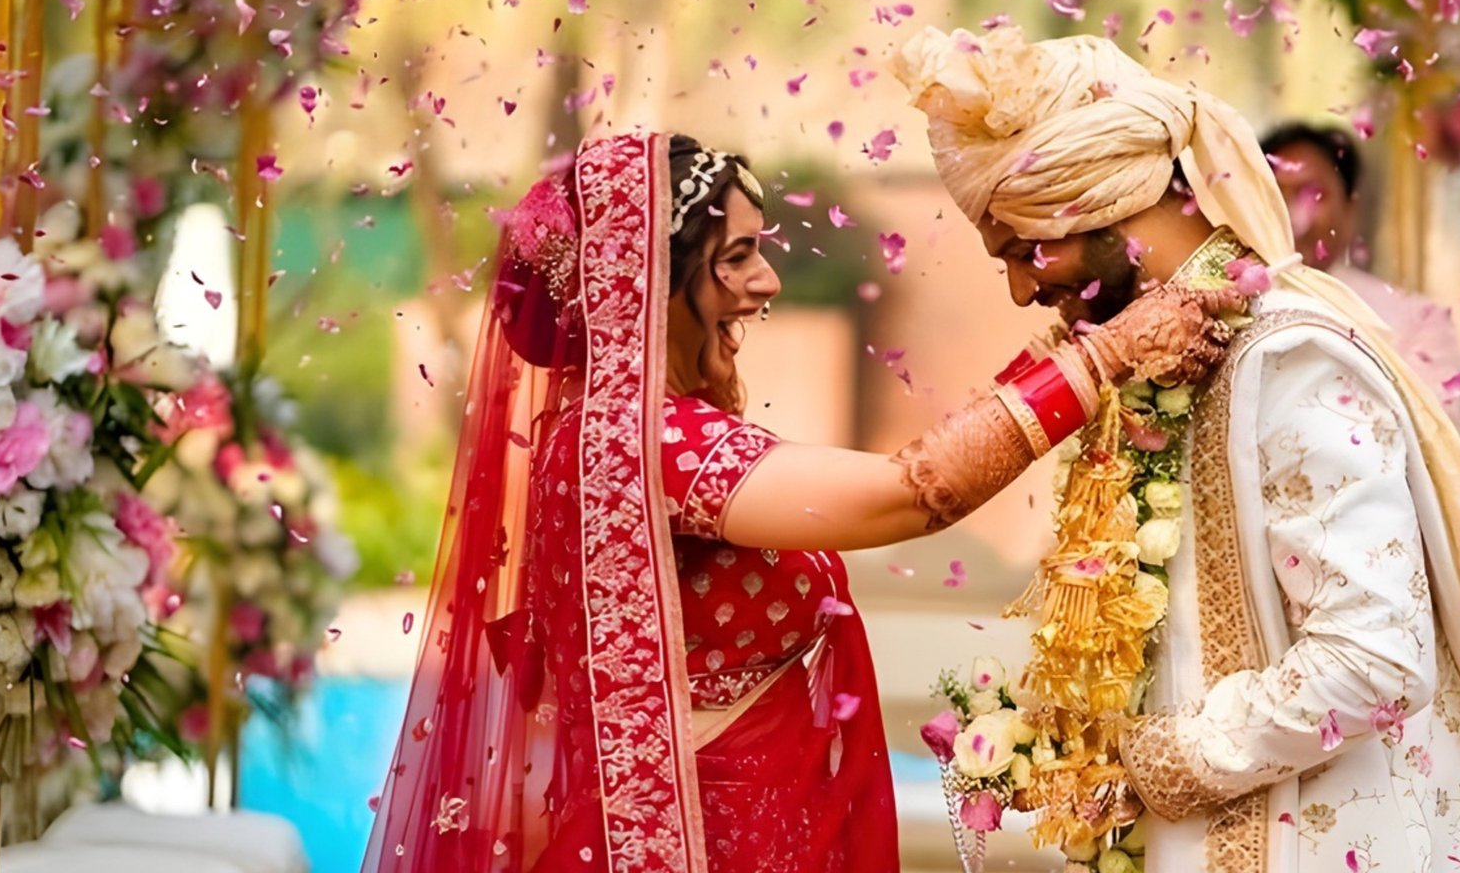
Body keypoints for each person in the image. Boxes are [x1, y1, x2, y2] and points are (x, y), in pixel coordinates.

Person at [895, 26, 1460, 873]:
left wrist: (1146, 758)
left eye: (1026, 250)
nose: (1021, 290)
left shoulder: (1288, 354)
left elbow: (1374, 658)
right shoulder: (1149, 356)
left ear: (1098, 198)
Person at [360, 131, 1244, 873]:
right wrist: (1108, 355)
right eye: (736, 256)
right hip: (710, 840)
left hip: (753, 819)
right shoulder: (640, 444)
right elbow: (912, 492)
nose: (769, 281)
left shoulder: (622, 433)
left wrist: (1075, 339)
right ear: (645, 287)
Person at [1261, 121, 1460, 392]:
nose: (1289, 213)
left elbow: (1438, 429)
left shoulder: (1417, 324)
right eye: (1273, 195)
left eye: (1311, 194)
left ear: (1349, 209)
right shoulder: (1217, 311)